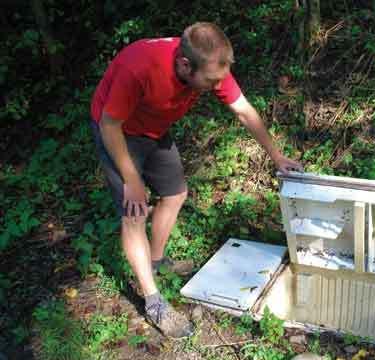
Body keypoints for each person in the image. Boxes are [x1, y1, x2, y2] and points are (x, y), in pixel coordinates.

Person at [89, 22, 303, 338]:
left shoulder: (210, 62)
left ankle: (157, 260)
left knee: (175, 194)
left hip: (154, 131)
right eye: (212, 80)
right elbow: (109, 125)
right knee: (133, 212)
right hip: (117, 133)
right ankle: (154, 302)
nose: (218, 85)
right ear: (185, 64)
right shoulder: (139, 67)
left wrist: (276, 156)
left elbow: (243, 110)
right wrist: (132, 179)